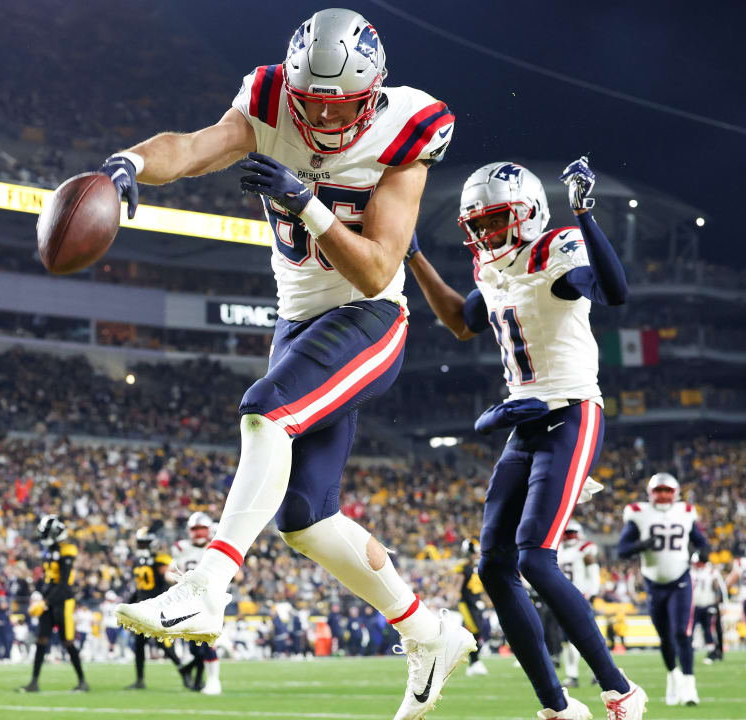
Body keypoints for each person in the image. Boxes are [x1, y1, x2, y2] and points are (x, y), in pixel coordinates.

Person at [105, 11, 473, 717]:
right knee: (305, 518)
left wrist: (305, 203)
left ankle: (207, 585)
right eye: (314, 105)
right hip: (296, 323)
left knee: (265, 410)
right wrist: (130, 163)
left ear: (373, 92)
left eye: (340, 107)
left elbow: (374, 270)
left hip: (369, 318)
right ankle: (429, 634)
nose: (325, 119)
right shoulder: (270, 100)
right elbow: (190, 148)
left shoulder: (409, 127)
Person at [407, 157, 645, 720]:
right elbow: (461, 322)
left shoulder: (557, 248)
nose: (488, 234)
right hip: (524, 422)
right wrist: (413, 256)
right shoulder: (490, 270)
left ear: (531, 213)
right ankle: (558, 707)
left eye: (497, 221)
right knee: (493, 566)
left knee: (536, 560)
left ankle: (619, 689)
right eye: (479, 225)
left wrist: (586, 216)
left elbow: (614, 291)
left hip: (571, 411)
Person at [617, 474, 709, 708]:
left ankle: (690, 686)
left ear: (675, 492)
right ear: (650, 493)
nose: (663, 495)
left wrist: (704, 553)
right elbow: (623, 549)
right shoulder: (639, 512)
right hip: (653, 583)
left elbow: (701, 541)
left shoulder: (686, 512)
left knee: (682, 633)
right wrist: (641, 545)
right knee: (665, 637)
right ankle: (673, 676)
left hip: (680, 580)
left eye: (667, 490)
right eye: (659, 491)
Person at [20, 515, 88, 693]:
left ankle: (82, 681)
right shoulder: (50, 551)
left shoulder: (67, 550)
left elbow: (65, 585)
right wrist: (39, 596)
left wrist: (46, 600)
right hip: (48, 601)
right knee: (41, 640)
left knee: (68, 642)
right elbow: (47, 580)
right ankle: (34, 682)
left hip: (63, 602)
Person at [125, 527, 192, 690]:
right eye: (140, 543)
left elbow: (167, 577)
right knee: (139, 644)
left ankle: (185, 673)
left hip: (157, 607)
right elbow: (140, 588)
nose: (141, 547)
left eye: (144, 544)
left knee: (164, 644)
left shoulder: (160, 560)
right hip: (142, 607)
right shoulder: (138, 561)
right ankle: (140, 680)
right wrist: (130, 603)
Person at [170, 512, 224, 694]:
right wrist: (179, 579)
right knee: (195, 648)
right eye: (195, 528)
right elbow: (169, 572)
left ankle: (213, 682)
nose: (199, 532)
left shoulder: (215, 547)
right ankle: (195, 674)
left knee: (208, 642)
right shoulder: (181, 548)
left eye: (202, 528)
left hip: (210, 600)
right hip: (187, 601)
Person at [557, 522, 601, 687]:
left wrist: (592, 592)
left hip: (580, 596)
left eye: (572, 533)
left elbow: (593, 573)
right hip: (564, 598)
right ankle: (573, 675)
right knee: (569, 640)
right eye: (567, 533)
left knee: (587, 637)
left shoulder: (584, 549)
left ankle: (597, 672)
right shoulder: (559, 550)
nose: (570, 536)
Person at [455, 539, 489, 677]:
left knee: (478, 632)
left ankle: (474, 662)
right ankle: (474, 662)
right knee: (475, 631)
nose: (477, 555)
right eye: (475, 553)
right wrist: (453, 596)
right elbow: (457, 586)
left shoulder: (477, 568)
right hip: (466, 604)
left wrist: (486, 599)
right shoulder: (464, 568)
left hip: (476, 603)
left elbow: (481, 588)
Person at [689, 554, 726, 664]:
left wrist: (717, 605)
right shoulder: (692, 572)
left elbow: (718, 589)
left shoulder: (711, 572)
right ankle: (687, 652)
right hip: (695, 606)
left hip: (708, 605)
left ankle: (713, 653)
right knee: (690, 630)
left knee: (709, 630)